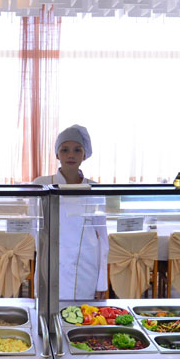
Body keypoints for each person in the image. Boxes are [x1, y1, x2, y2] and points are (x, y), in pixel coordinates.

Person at [33, 125, 109, 300]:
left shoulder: (95, 188)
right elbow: (34, 229)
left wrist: (102, 282)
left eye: (77, 150)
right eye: (65, 149)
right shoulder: (41, 184)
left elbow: (103, 239)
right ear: (57, 154)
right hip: (52, 266)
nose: (71, 155)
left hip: (86, 268)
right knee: (49, 311)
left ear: (84, 154)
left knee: (84, 313)